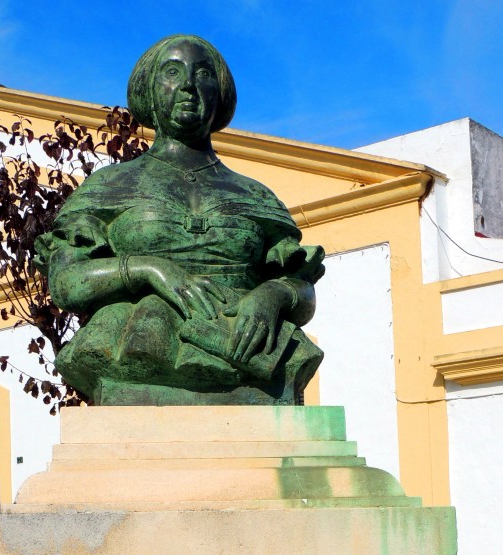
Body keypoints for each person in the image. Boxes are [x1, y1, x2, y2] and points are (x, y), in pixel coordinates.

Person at [34, 34, 324, 405]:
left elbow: (302, 289)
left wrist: (273, 294)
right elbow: (66, 284)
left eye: (203, 74)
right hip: (139, 342)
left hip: (250, 351)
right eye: (172, 72)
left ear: (220, 94)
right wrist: (146, 269)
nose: (188, 84)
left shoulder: (257, 196)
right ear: (149, 92)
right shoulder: (109, 186)